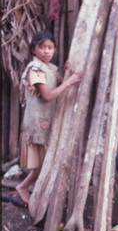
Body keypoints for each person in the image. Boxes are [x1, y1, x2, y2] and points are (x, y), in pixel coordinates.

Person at [16, 29, 82, 204]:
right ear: (33, 49)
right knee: (42, 161)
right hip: (37, 120)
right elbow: (48, 95)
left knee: (45, 160)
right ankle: (23, 186)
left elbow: (58, 81)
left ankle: (34, 189)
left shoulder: (50, 68)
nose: (46, 51)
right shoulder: (35, 69)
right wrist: (69, 81)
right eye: (42, 47)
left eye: (50, 47)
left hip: (46, 119)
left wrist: (67, 72)